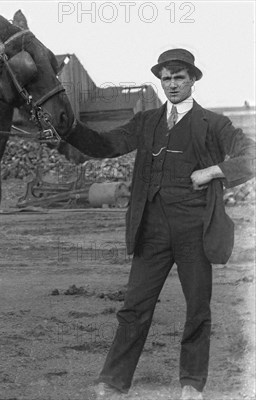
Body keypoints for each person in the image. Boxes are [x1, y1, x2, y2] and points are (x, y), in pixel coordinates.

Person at [59, 48, 255, 400]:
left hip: (196, 230)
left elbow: (251, 155)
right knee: (134, 307)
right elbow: (106, 144)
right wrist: (70, 130)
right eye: (166, 78)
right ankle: (113, 381)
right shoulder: (146, 122)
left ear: (193, 79)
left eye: (179, 77)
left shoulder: (214, 124)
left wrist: (214, 171)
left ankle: (192, 384)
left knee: (197, 307)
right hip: (150, 230)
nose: (172, 85)